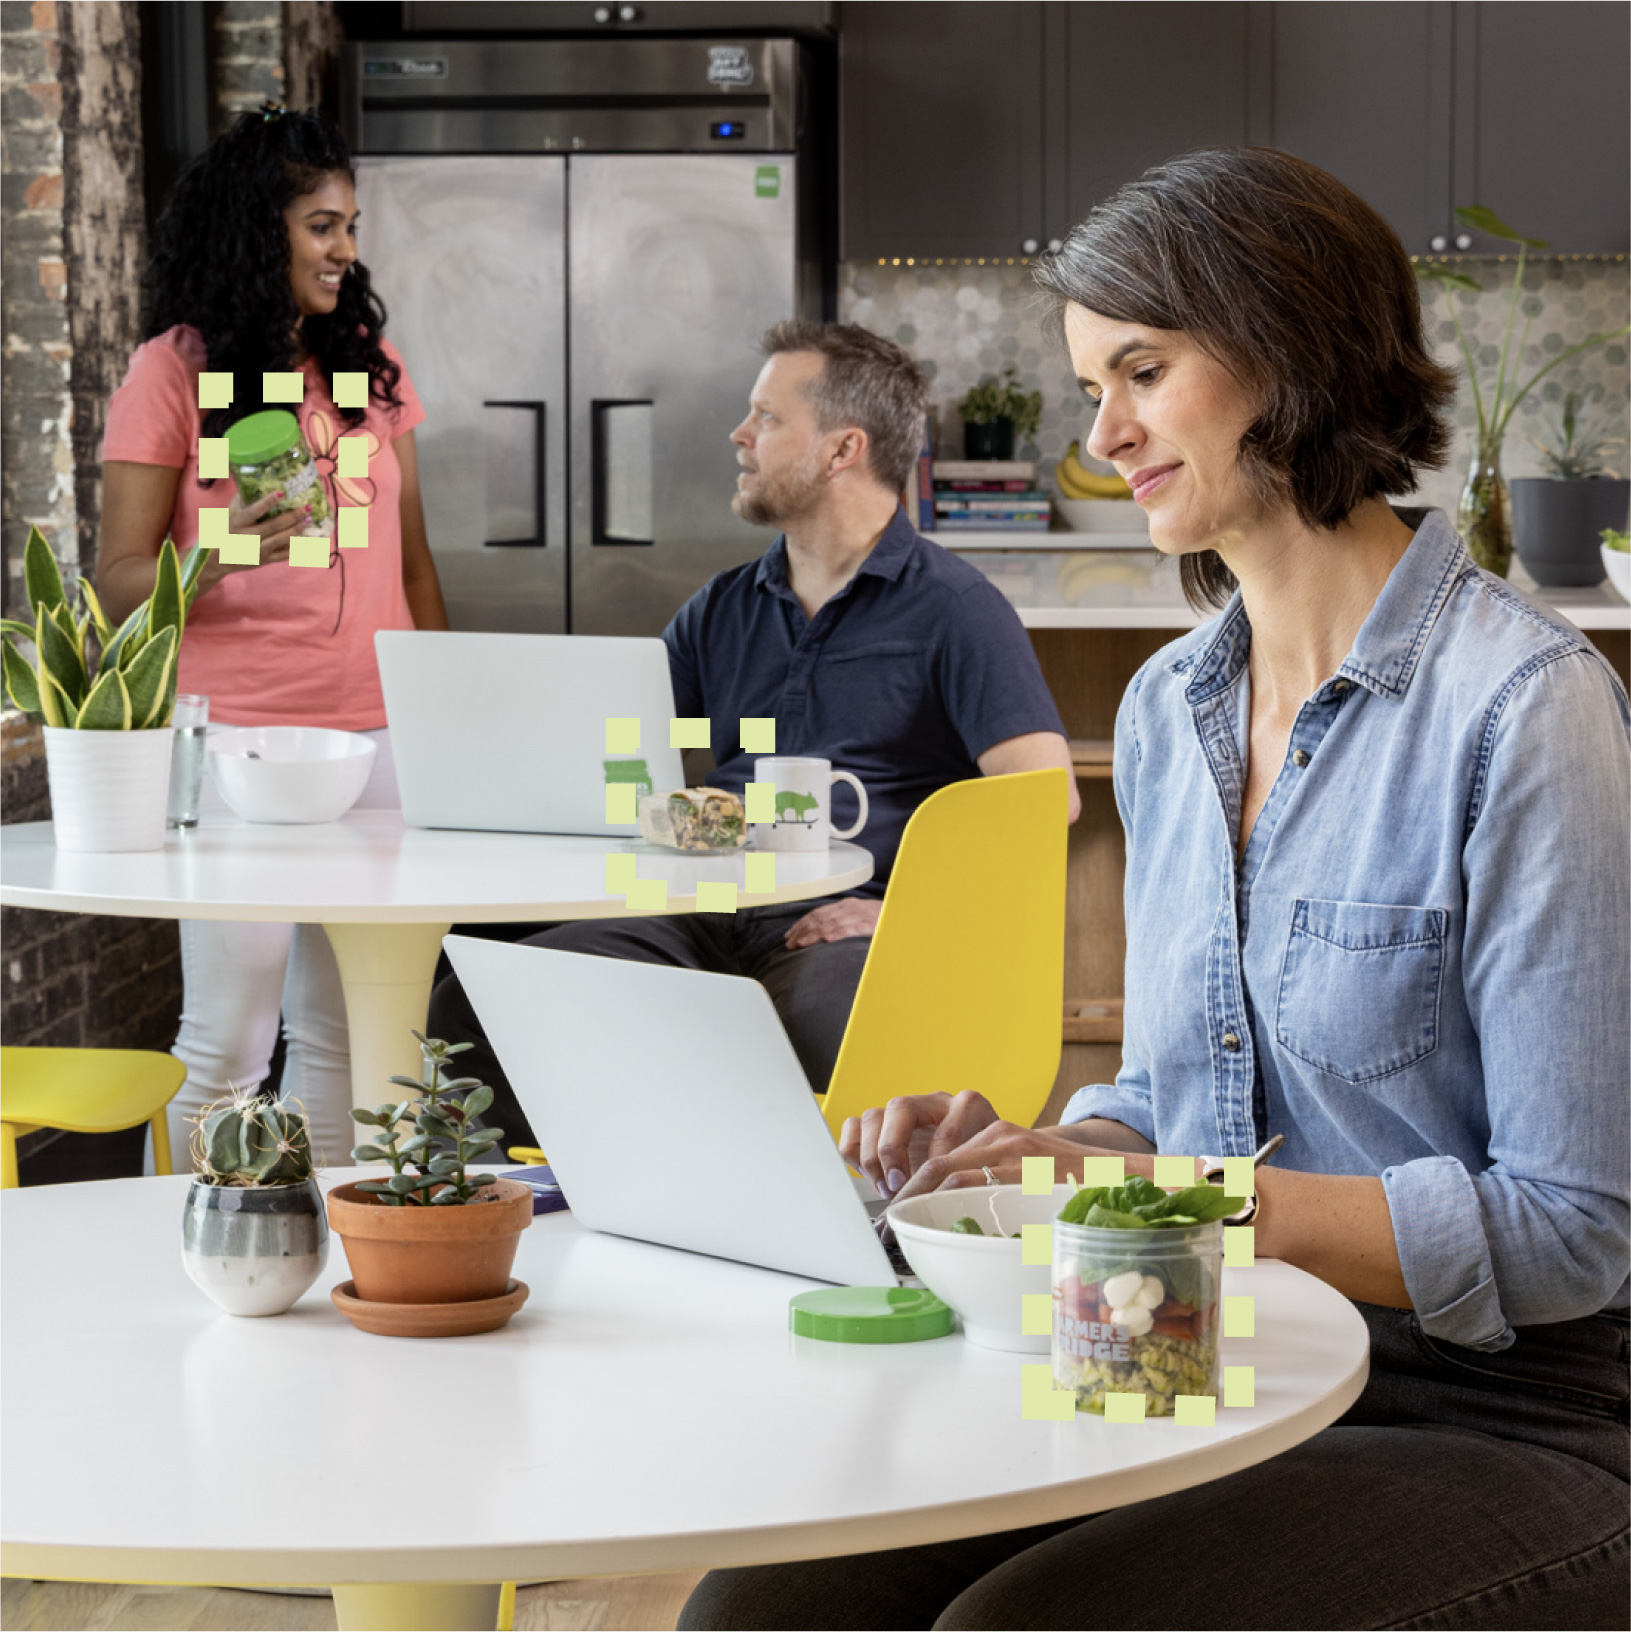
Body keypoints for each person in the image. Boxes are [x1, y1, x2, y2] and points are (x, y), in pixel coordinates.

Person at [679, 149, 1630, 1631]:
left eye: (1139, 371)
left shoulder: (1522, 712)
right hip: (1197, 1349)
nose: (1103, 433)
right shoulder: (1167, 708)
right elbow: (1179, 1095)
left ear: (1288, 354)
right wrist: (1042, 1148)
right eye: (1086, 387)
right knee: (765, 1601)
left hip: (1501, 1414)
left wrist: (1151, 1197)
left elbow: (1570, 1230)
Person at [427, 322, 1079, 1146]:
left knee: (817, 1031)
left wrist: (897, 914)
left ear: (843, 449)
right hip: (701, 910)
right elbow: (634, 750)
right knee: (488, 995)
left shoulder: (953, 610)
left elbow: (1043, 798)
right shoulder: (725, 606)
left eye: (766, 418)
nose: (739, 435)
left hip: (840, 925)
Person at [98, 104, 450, 1166]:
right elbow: (116, 587)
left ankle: (341, 1266)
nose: (346, 249)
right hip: (238, 744)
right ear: (260, 232)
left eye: (349, 226)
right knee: (229, 1041)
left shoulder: (363, 366)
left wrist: (445, 722)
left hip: (377, 739)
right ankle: (197, 1253)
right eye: (321, 227)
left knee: (349, 1034)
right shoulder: (177, 371)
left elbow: (414, 563)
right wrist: (225, 548)